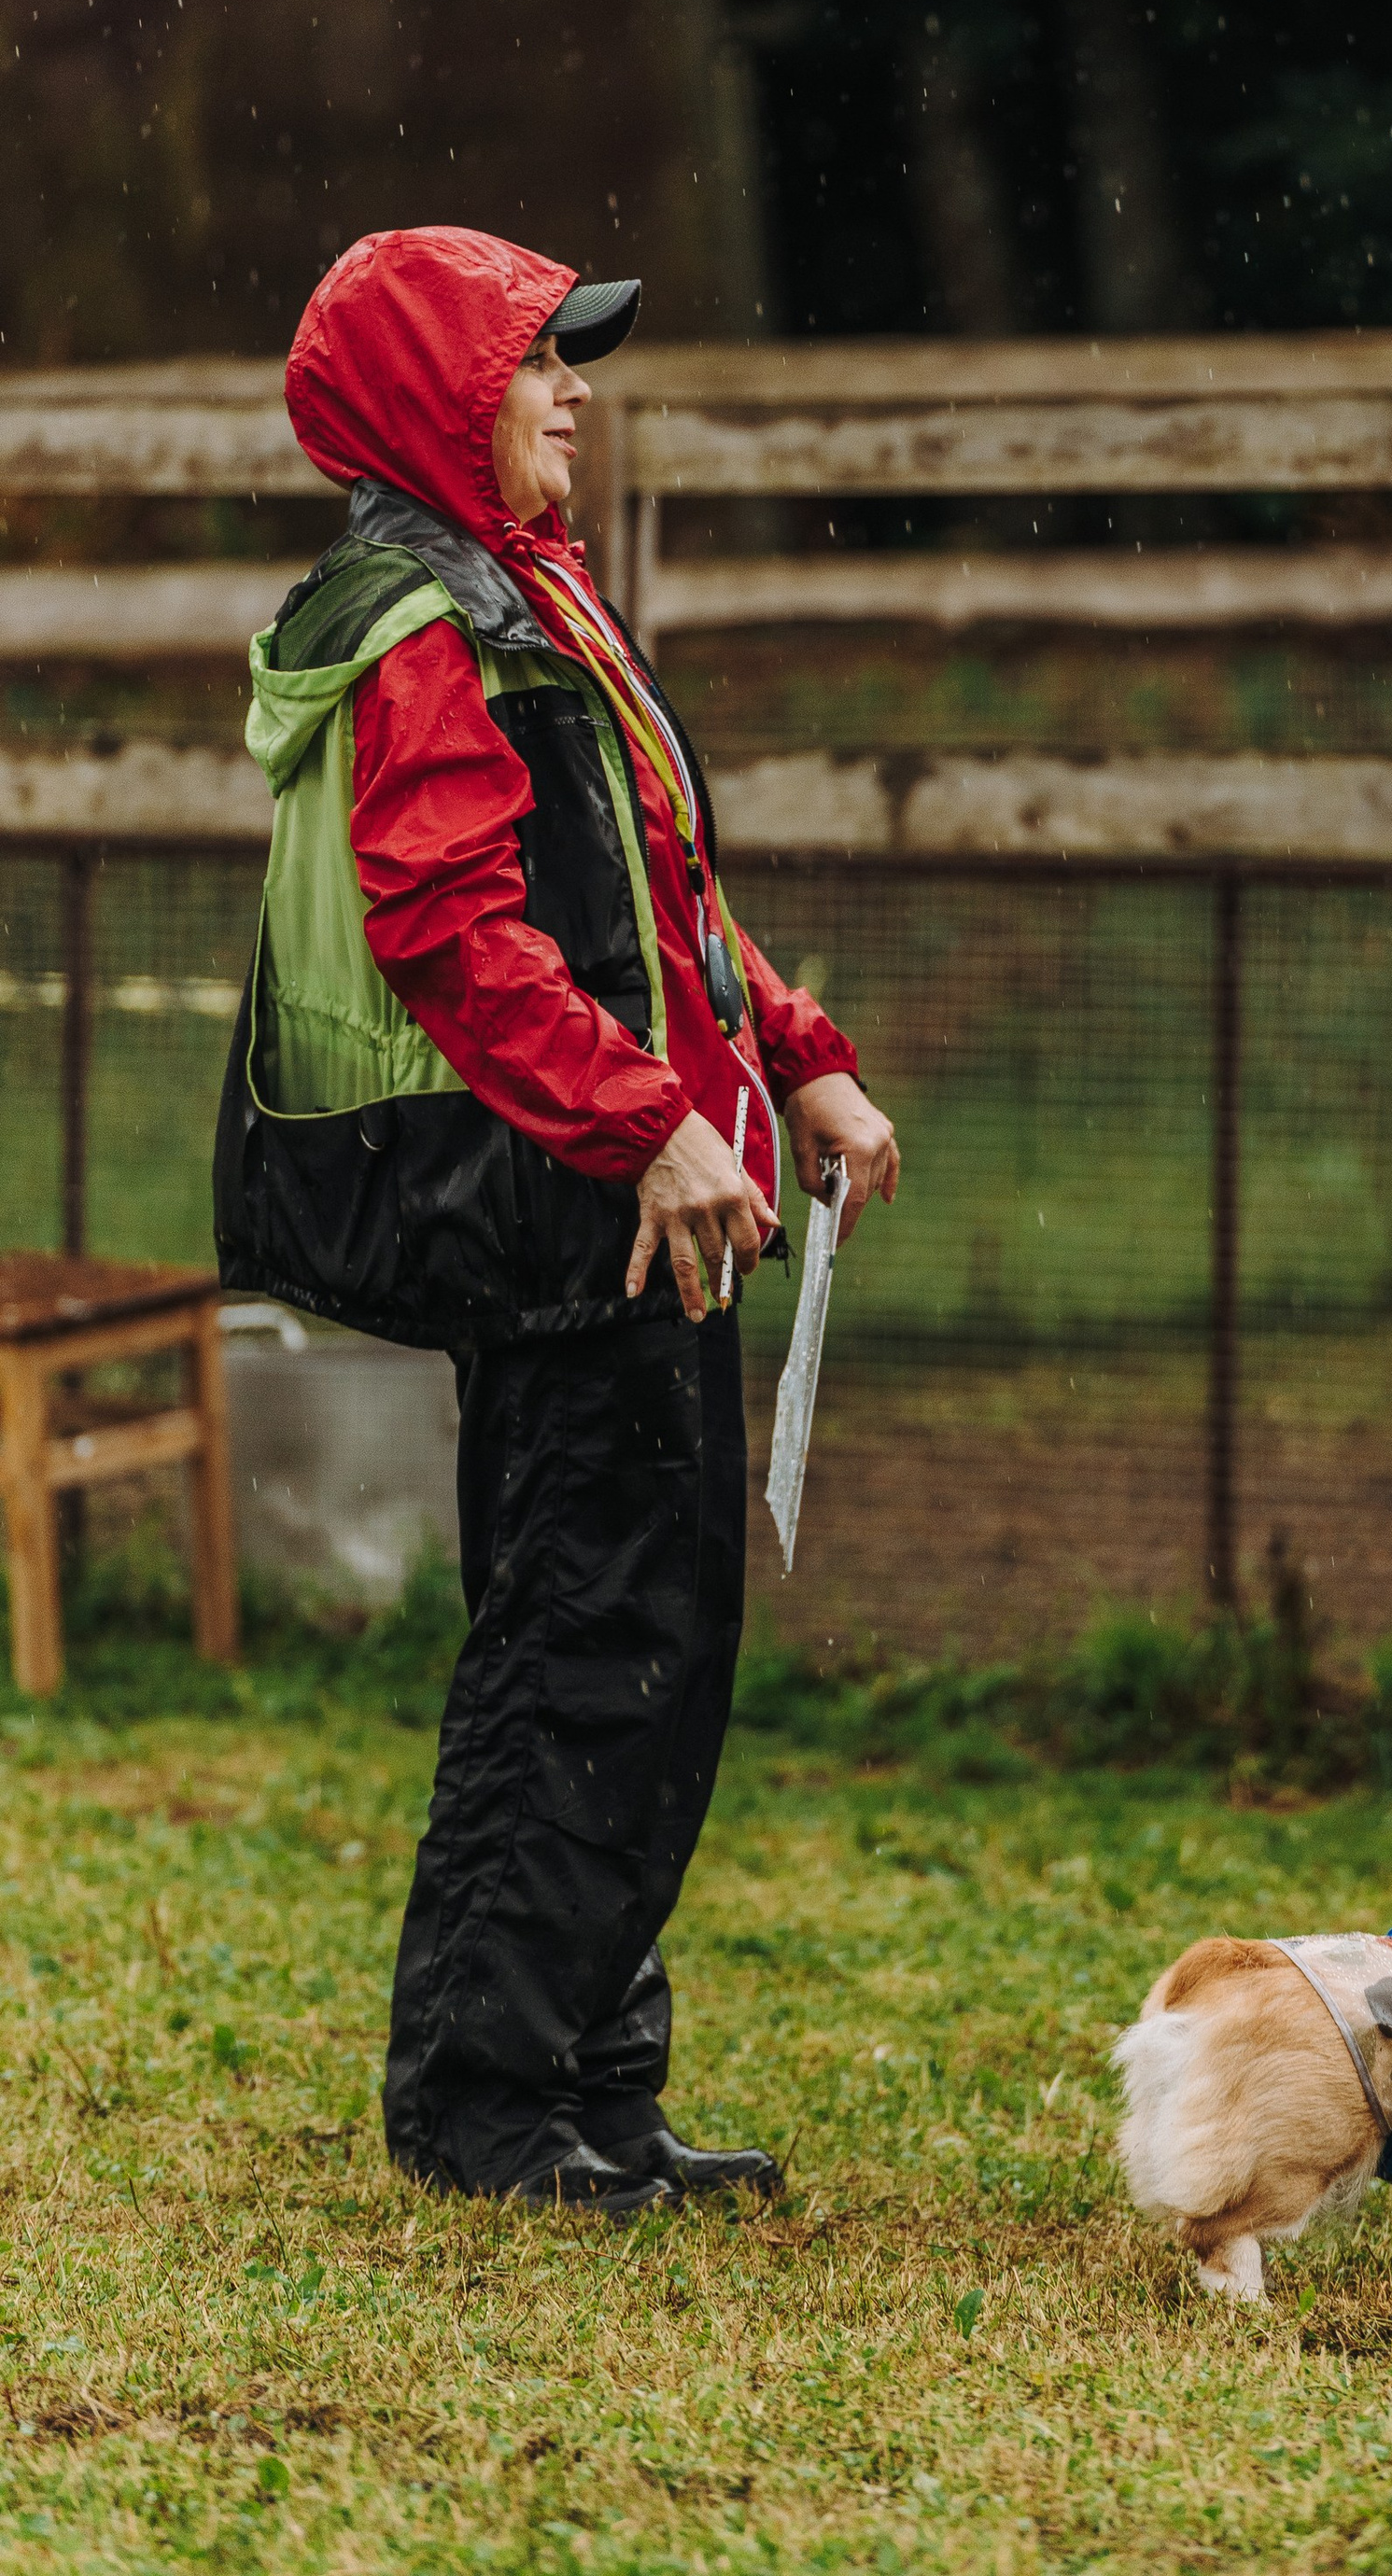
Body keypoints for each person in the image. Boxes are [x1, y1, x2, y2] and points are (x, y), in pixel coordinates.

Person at [218, 224, 899, 2217]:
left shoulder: (533, 590)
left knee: (650, 1641)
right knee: (583, 1639)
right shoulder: (424, 623)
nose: (572, 390)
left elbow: (658, 894)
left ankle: (598, 2082)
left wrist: (795, 1058)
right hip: (565, 1213)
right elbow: (453, 929)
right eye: (533, 360)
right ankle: (487, 2104)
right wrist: (644, 1129)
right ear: (439, 396)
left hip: (640, 1189)